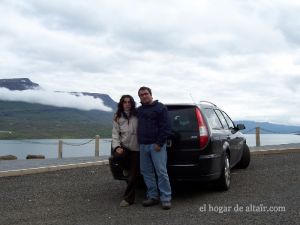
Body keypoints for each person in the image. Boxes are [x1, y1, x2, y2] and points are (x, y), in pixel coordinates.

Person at [137, 86, 172, 210]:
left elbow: (166, 127)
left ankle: (166, 198)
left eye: (145, 93)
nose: (144, 96)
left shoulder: (160, 108)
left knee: (161, 172)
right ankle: (153, 196)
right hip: (142, 146)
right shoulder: (139, 110)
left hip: (156, 146)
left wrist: (159, 143)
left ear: (151, 94)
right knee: (146, 172)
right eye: (141, 95)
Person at [112, 95, 139, 207]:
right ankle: (126, 168)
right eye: (125, 102)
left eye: (129, 102)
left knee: (133, 176)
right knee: (117, 156)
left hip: (137, 149)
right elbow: (115, 134)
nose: (127, 103)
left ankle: (128, 199)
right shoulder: (118, 117)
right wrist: (117, 147)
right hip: (125, 148)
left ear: (132, 103)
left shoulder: (138, 115)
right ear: (121, 104)